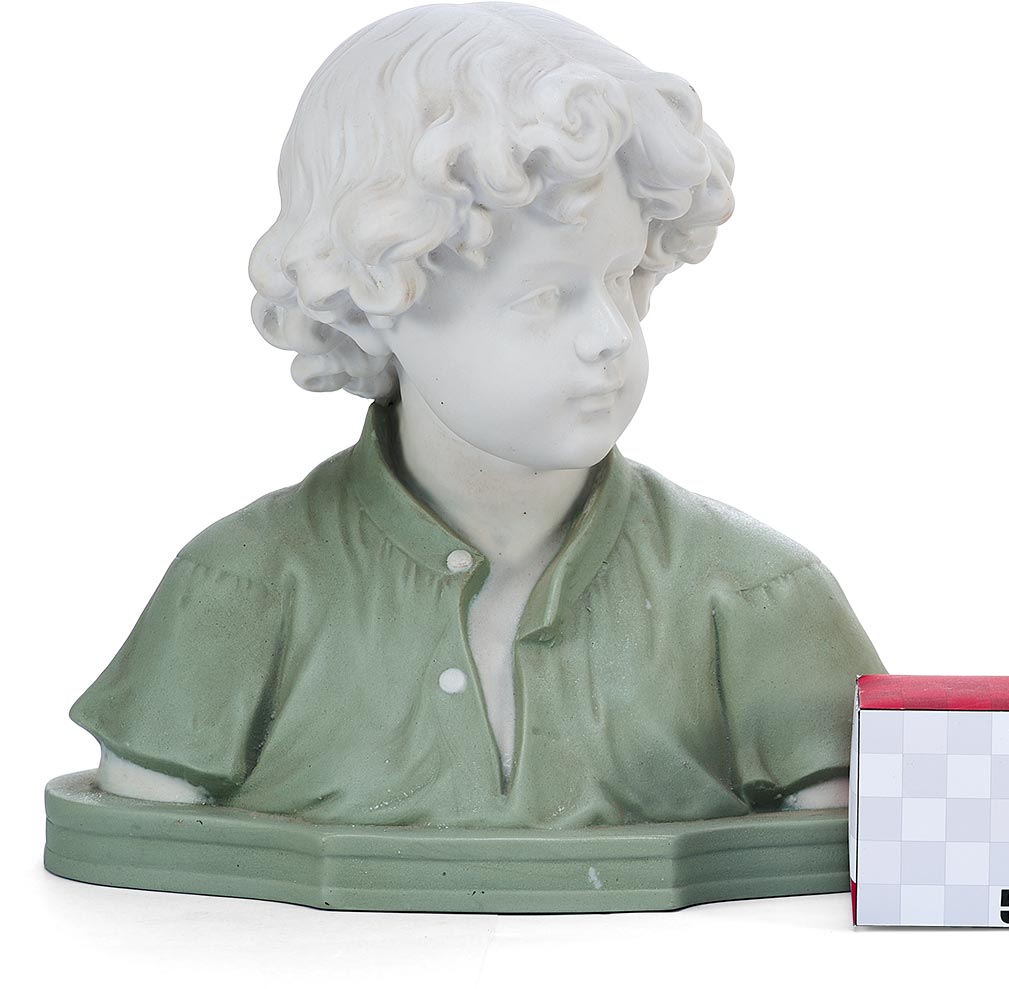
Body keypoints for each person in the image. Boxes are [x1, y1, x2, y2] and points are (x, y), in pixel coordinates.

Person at [70, 3, 883, 827]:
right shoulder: (241, 595)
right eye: (545, 295)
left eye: (623, 277)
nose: (610, 334)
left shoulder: (757, 602)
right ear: (377, 294)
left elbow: (853, 851)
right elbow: (148, 854)